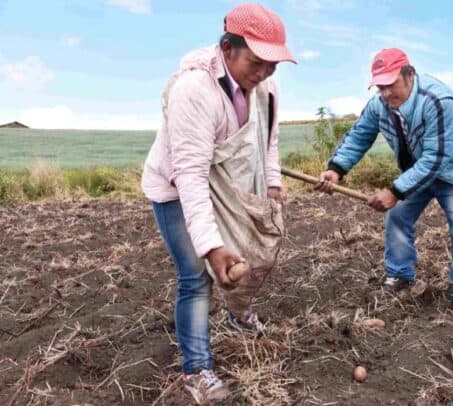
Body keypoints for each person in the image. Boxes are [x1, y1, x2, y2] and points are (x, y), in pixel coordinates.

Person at [140, 3, 295, 403]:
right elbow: (189, 175)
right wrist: (211, 246)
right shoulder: (195, 90)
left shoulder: (267, 88)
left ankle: (237, 312)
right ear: (228, 48)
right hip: (177, 188)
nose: (262, 73)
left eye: (272, 66)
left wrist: (272, 183)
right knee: (197, 275)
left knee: (247, 254)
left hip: (226, 185)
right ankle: (197, 370)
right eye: (255, 62)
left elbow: (268, 140)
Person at [315, 48, 453, 319]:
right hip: (418, 169)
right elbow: (359, 136)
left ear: (409, 75)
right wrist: (336, 170)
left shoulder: (438, 100)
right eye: (379, 86)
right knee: (398, 216)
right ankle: (399, 277)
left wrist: (395, 191)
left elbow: (437, 157)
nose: (385, 93)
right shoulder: (379, 105)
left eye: (390, 84)